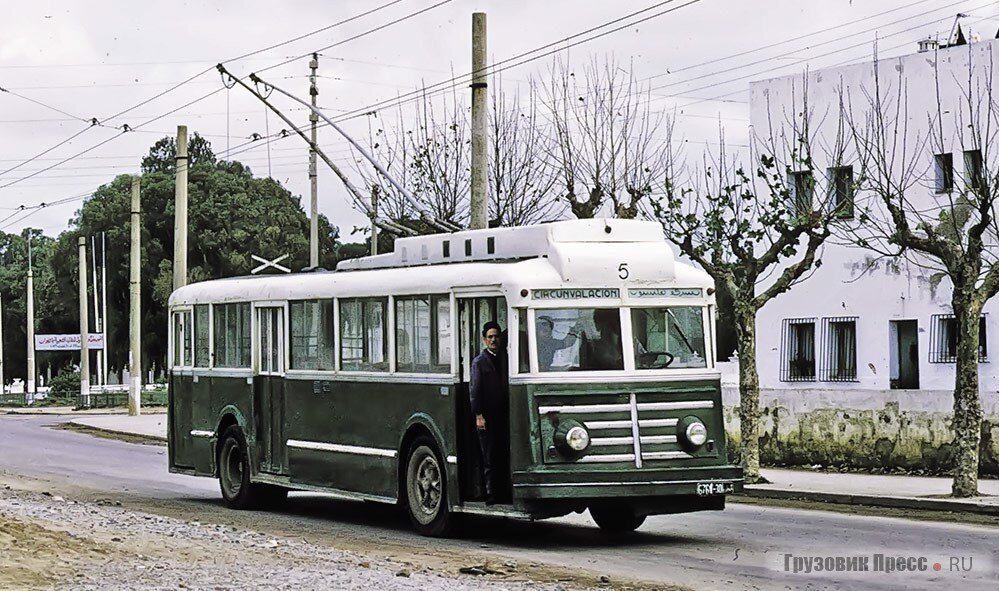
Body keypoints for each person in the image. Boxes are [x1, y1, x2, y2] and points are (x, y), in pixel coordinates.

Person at [469, 320, 509, 504]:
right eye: (490, 337)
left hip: (502, 415)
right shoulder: (479, 362)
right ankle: (489, 492)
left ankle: (503, 491)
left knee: (502, 452)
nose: (493, 340)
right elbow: (475, 390)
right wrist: (478, 415)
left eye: (496, 336)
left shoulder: (505, 358)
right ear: (484, 340)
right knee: (488, 454)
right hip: (487, 416)